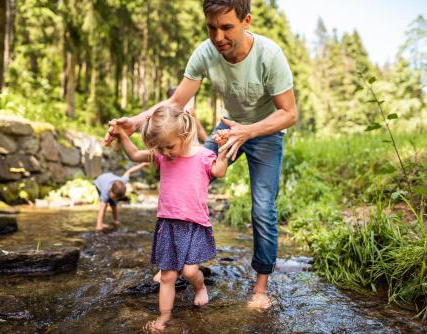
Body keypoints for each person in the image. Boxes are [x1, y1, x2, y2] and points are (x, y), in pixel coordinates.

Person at [105, 0, 297, 309]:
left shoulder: (269, 55)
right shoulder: (205, 53)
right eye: (211, 28)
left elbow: (289, 114)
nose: (218, 37)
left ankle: (260, 287)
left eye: (226, 28)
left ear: (246, 21)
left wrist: (247, 132)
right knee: (184, 171)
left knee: (262, 209)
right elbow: (176, 101)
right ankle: (173, 262)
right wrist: (136, 121)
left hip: (265, 133)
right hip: (227, 127)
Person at [112, 105, 229, 331]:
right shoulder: (162, 155)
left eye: (169, 146)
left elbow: (219, 171)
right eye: (160, 148)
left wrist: (222, 150)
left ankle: (199, 287)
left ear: (184, 135)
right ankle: (164, 318)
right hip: (168, 224)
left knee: (189, 271)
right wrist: (122, 135)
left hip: (194, 224)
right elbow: (135, 155)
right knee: (167, 277)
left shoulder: (203, 155)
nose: (165, 152)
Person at [93, 163, 148, 231]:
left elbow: (129, 171)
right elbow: (101, 208)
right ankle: (100, 223)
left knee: (114, 203)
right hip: (100, 182)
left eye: (117, 198)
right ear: (110, 191)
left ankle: (116, 221)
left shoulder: (122, 182)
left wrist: (142, 165)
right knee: (105, 204)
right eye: (114, 196)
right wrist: (98, 226)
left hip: (111, 178)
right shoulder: (105, 191)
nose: (116, 199)